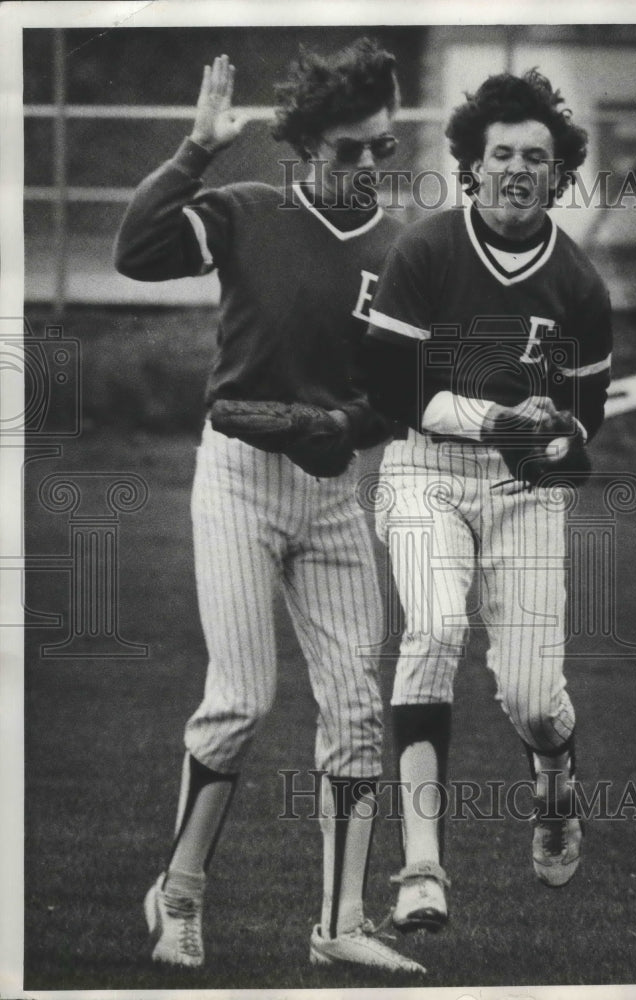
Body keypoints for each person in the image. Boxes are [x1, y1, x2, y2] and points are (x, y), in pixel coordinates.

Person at [114, 42, 425, 974]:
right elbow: (136, 253)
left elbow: (402, 389)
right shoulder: (250, 213)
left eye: (383, 148)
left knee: (359, 714)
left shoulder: (403, 248)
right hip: (240, 481)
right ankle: (178, 896)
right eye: (348, 150)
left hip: (330, 495)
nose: (368, 166)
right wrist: (194, 150)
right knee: (242, 702)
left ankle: (340, 924)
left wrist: (353, 425)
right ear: (301, 146)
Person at [360, 68, 612, 931]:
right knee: (431, 631)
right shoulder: (425, 250)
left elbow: (586, 425)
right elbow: (393, 390)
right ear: (471, 163)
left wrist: (558, 436)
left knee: (536, 699)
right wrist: (493, 416)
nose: (515, 168)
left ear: (558, 173)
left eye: (534, 157)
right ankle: (422, 869)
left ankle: (554, 791)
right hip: (425, 467)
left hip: (522, 491)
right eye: (499, 152)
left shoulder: (579, 285)